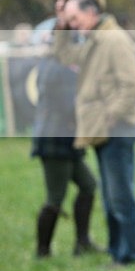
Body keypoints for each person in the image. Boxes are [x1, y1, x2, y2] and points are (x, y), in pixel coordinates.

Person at [53, 0, 135, 267]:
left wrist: (109, 116)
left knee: (119, 196)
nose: (74, 26)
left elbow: (132, 83)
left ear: (91, 13)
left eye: (75, 20)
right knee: (110, 196)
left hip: (115, 130)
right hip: (104, 131)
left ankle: (127, 254)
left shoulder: (113, 40)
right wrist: (61, 24)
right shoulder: (95, 39)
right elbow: (64, 55)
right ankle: (118, 250)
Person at [32, 49, 101, 258]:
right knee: (55, 197)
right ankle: (42, 251)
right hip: (54, 141)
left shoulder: (62, 65)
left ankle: (83, 242)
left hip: (67, 141)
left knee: (88, 185)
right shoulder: (54, 67)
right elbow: (68, 103)